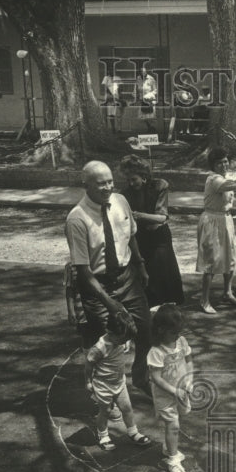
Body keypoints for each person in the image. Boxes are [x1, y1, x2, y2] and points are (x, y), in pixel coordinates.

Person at [65, 160, 151, 392]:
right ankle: (107, 395)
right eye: (101, 183)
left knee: (145, 332)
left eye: (110, 181)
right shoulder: (77, 219)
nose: (108, 187)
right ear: (87, 185)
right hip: (97, 286)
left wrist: (140, 265)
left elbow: (131, 236)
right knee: (107, 345)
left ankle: (141, 377)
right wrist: (109, 303)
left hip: (127, 278)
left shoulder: (121, 201)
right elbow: (83, 271)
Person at [196, 147, 236, 313]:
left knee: (229, 257)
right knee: (211, 260)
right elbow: (233, 184)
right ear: (213, 165)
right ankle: (204, 299)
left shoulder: (224, 175)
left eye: (225, 161)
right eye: (219, 163)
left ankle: (227, 292)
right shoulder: (213, 179)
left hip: (225, 219)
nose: (223, 165)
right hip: (212, 220)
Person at [119, 156, 185, 307]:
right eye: (128, 180)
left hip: (159, 238)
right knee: (146, 276)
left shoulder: (159, 186)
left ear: (143, 176)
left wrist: (137, 215)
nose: (131, 183)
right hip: (141, 237)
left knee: (164, 274)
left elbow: (161, 217)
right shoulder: (125, 193)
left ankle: (169, 309)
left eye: (134, 179)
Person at [84, 310, 153, 451]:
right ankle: (103, 435)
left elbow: (125, 339)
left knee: (127, 408)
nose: (124, 342)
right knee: (105, 411)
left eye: (126, 339)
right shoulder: (100, 347)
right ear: (110, 332)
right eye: (122, 339)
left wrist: (125, 342)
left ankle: (133, 432)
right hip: (103, 385)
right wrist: (88, 381)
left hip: (119, 382)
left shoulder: (121, 339)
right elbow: (88, 364)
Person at [147, 304, 194, 472]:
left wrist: (189, 379)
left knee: (179, 418)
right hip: (165, 394)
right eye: (173, 332)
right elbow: (156, 378)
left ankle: (168, 447)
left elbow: (189, 360)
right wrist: (174, 391)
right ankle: (172, 460)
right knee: (173, 425)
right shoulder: (156, 352)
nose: (177, 336)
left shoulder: (181, 342)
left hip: (181, 390)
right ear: (161, 330)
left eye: (179, 332)